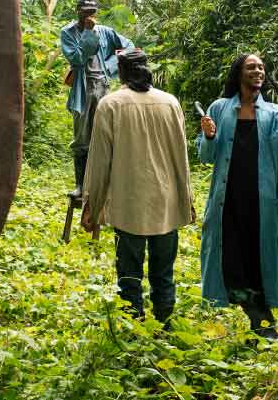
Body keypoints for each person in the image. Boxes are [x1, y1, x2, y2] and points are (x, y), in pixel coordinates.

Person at [197, 53, 278, 339]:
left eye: (262, 68)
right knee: (231, 266)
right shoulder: (218, 108)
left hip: (263, 207)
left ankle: (263, 327)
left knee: (258, 266)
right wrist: (207, 136)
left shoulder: (275, 113)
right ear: (238, 73)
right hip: (227, 205)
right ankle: (262, 324)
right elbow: (205, 157)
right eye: (251, 67)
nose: (258, 71)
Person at [80, 49, 194, 325]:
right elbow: (182, 156)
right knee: (163, 274)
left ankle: (134, 330)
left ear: (121, 71)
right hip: (165, 204)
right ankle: (164, 327)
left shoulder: (111, 104)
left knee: (129, 275)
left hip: (128, 205)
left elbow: (99, 162)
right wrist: (186, 199)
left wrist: (91, 206)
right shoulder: (170, 102)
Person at [60, 0, 133, 197]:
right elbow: (76, 57)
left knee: (105, 134)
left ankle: (106, 185)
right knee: (81, 138)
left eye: (92, 12)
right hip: (82, 90)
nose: (89, 15)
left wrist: (110, 66)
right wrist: (89, 33)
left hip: (103, 86)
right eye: (85, 12)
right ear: (78, 11)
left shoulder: (107, 32)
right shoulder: (68, 32)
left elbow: (128, 47)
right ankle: (80, 186)